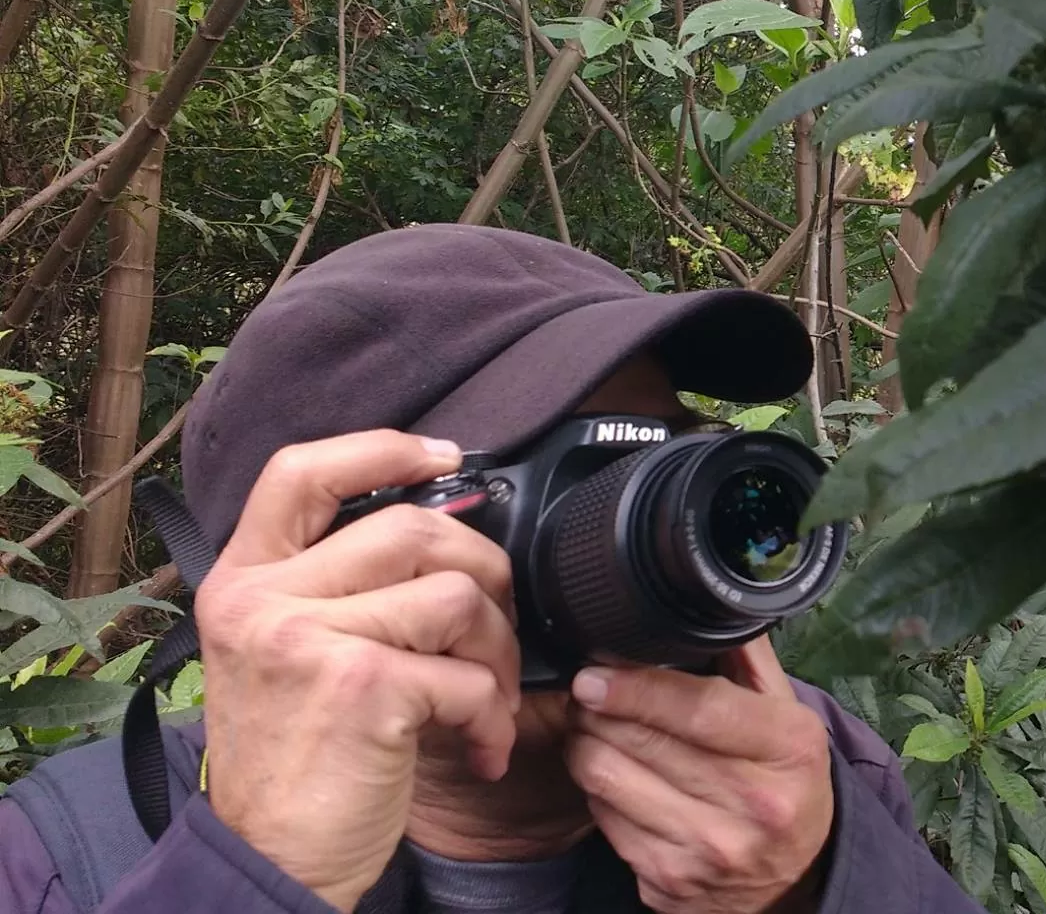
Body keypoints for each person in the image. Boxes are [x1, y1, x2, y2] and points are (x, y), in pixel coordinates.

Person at [0, 224, 987, 914]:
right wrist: (252, 877)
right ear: (303, 577)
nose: (660, 523)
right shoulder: (72, 852)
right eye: (563, 475)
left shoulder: (803, 774)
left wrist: (810, 890)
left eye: (668, 453)